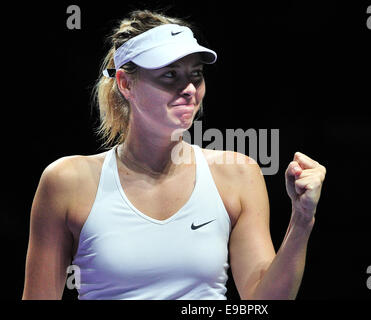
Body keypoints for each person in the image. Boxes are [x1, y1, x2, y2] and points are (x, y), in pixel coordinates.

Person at [22, 9, 326, 300]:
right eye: (170, 75)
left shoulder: (238, 174)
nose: (189, 89)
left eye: (196, 75)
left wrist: (301, 221)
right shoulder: (66, 181)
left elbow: (261, 302)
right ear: (126, 84)